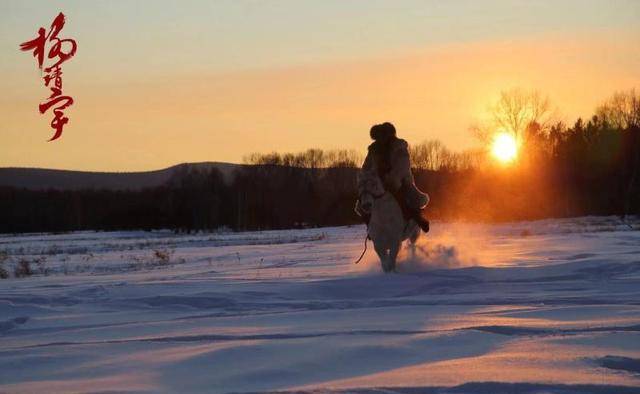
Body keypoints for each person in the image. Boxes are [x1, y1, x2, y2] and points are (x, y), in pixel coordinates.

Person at [355, 122, 430, 232]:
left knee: (404, 199)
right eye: (379, 136)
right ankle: (371, 228)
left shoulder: (399, 146)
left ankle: (419, 220)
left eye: (383, 135)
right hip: (377, 182)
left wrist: (392, 179)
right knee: (361, 204)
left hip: (399, 180)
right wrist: (365, 179)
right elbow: (367, 166)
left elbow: (403, 166)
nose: (381, 139)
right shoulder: (374, 149)